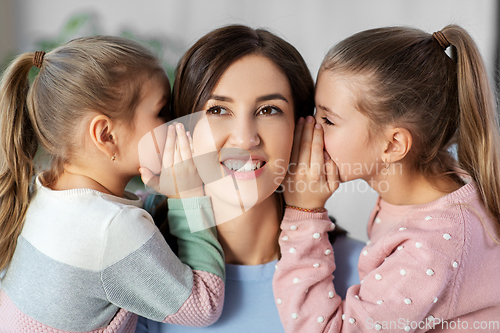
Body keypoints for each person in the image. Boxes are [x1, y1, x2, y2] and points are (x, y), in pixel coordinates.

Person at [136, 24, 365, 333]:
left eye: (268, 110)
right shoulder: (136, 262)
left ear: (303, 130)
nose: (245, 138)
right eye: (218, 109)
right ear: (184, 128)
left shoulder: (368, 275)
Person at [273, 25, 500, 332]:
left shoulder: (431, 247)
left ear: (393, 145)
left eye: (328, 119)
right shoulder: (426, 189)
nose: (311, 128)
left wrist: (304, 215)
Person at [0, 36, 225, 332]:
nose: (177, 122)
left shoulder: (42, 189)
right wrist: (189, 197)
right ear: (106, 135)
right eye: (162, 111)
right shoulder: (114, 228)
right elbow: (203, 305)